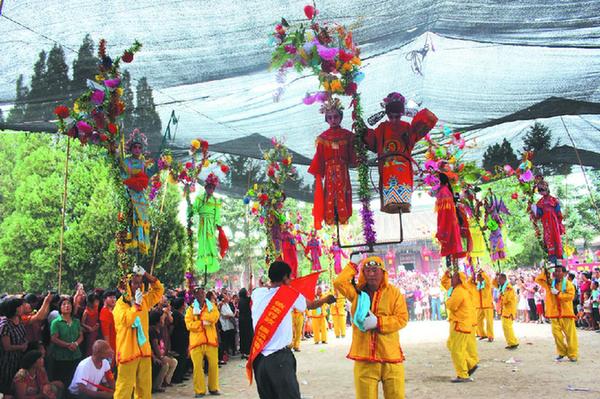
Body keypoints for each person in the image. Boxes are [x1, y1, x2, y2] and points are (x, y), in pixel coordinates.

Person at [251, 261, 335, 399]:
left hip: (259, 359)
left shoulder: (257, 293)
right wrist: (326, 299)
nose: (291, 280)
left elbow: (266, 288)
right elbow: (312, 305)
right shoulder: (289, 294)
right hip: (279, 360)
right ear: (285, 277)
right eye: (290, 277)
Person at [334, 256, 409, 398]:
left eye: (375, 270)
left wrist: (379, 323)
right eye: (367, 270)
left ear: (383, 272)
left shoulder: (394, 293)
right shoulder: (357, 293)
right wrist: (352, 265)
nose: (371, 274)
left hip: (390, 357)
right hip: (364, 359)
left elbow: (402, 318)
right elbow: (339, 282)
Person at [364, 92, 438, 213]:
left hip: (403, 166)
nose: (394, 119)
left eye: (397, 116)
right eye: (391, 116)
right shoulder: (382, 127)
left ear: (401, 114)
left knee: (403, 198)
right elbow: (373, 141)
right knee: (391, 195)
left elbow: (415, 135)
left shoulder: (407, 126)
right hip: (388, 167)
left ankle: (403, 203)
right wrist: (363, 131)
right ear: (387, 114)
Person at [113, 265, 164, 399]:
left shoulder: (145, 301)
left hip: (144, 350)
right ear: (128, 285)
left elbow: (159, 290)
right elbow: (127, 321)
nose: (138, 286)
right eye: (135, 283)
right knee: (124, 388)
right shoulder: (120, 305)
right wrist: (136, 305)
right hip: (127, 352)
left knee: (144, 388)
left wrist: (146, 274)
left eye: (140, 283)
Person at [308, 98, 356, 228]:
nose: (333, 120)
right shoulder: (322, 138)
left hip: (343, 171)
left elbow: (354, 157)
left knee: (343, 193)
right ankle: (332, 217)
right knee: (329, 195)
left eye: (335, 117)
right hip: (329, 174)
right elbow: (319, 158)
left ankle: (342, 216)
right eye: (329, 118)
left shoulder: (348, 136)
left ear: (340, 117)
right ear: (326, 120)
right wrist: (317, 174)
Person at [535, 266, 578, 361]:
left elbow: (570, 297)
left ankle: (572, 354)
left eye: (559, 271)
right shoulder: (550, 284)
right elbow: (538, 280)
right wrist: (545, 270)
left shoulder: (568, 284)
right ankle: (561, 352)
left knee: (570, 335)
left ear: (564, 273)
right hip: (554, 313)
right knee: (556, 335)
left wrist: (558, 293)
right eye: (555, 271)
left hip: (566, 313)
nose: (556, 273)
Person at [121, 129, 153, 255]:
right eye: (135, 147)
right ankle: (130, 241)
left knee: (141, 219)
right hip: (128, 193)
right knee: (130, 219)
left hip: (140, 195)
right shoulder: (125, 161)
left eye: (140, 148)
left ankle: (140, 242)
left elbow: (145, 179)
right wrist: (131, 182)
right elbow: (123, 177)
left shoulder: (143, 163)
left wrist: (140, 183)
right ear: (131, 148)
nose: (137, 150)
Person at [185, 287, 220, 397]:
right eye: (198, 294)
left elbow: (215, 316)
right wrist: (201, 323)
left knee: (214, 365)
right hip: (196, 342)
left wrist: (202, 317)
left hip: (210, 341)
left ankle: (213, 388)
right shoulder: (190, 309)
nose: (200, 295)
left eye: (202, 293)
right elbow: (188, 324)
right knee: (197, 367)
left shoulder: (211, 306)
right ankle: (199, 390)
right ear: (195, 296)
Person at [444, 272, 477, 383]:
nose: (451, 280)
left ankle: (463, 374)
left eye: (453, 278)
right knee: (452, 345)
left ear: (459, 280)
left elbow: (452, 306)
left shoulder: (459, 291)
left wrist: (447, 300)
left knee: (457, 350)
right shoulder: (460, 290)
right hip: (461, 324)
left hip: (460, 324)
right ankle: (470, 364)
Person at [189, 173, 223, 274]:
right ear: (206, 187)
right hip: (201, 222)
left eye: (212, 188)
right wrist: (194, 217)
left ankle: (211, 262)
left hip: (210, 224)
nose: (211, 190)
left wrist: (218, 226)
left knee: (211, 242)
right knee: (201, 241)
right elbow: (194, 209)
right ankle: (202, 261)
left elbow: (217, 215)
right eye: (209, 187)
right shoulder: (199, 198)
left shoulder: (216, 201)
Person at [48, 297, 83, 388]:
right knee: (62, 381)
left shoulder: (76, 321)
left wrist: (75, 344)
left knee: (74, 379)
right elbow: (54, 339)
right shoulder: (56, 322)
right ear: (59, 308)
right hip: (61, 357)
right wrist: (68, 345)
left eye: (69, 304)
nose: (67, 306)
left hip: (76, 354)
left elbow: (81, 336)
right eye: (64, 304)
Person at [0, 297, 28, 394]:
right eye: (19, 306)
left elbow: (24, 336)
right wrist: (22, 347)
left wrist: (25, 343)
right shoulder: (5, 325)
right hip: (7, 363)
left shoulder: (19, 321)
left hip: (18, 360)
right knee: (7, 388)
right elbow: (7, 347)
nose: (22, 308)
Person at [149, 311, 177, 393]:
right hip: (154, 355)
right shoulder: (152, 330)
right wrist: (161, 357)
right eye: (162, 318)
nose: (163, 320)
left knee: (174, 362)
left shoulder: (159, 329)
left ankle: (166, 381)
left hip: (160, 354)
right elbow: (155, 345)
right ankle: (156, 385)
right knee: (165, 365)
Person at [493, 274, 519, 349]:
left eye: (499, 279)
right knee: (506, 327)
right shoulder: (502, 287)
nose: (498, 281)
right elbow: (493, 283)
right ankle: (511, 342)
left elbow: (506, 300)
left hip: (509, 310)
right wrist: (496, 276)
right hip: (505, 310)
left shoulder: (508, 288)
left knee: (507, 327)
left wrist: (501, 296)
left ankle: (513, 343)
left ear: (503, 279)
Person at [169, 297, 189, 384]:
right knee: (179, 357)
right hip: (177, 339)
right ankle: (177, 377)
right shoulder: (176, 315)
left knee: (183, 358)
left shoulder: (181, 314)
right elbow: (172, 327)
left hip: (183, 339)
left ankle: (181, 375)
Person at [470, 270, 494, 342]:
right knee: (478, 321)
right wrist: (472, 276)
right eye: (477, 277)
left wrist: (482, 273)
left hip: (487, 306)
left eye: (478, 277)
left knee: (489, 322)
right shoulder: (476, 286)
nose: (477, 279)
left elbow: (487, 279)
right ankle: (482, 334)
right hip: (479, 306)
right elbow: (468, 283)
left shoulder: (487, 284)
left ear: (482, 278)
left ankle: (490, 336)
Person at [81, 293, 100, 357]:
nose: (98, 302)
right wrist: (89, 328)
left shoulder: (97, 308)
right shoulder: (86, 311)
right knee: (90, 347)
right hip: (89, 332)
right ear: (91, 302)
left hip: (96, 330)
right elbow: (82, 323)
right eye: (96, 301)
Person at [98, 291, 116, 358]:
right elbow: (105, 333)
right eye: (110, 297)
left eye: (114, 297)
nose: (113, 299)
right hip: (110, 345)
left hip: (115, 342)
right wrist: (108, 348)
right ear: (104, 300)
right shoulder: (104, 312)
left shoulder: (112, 310)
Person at [237, 288, 253, 359]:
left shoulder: (240, 301)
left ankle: (243, 352)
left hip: (241, 320)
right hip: (247, 320)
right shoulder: (247, 300)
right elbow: (251, 293)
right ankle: (247, 352)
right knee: (248, 336)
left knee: (242, 336)